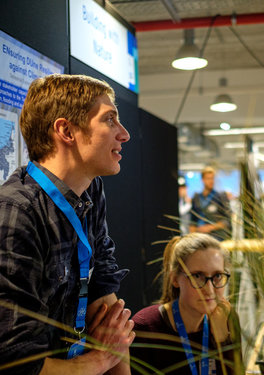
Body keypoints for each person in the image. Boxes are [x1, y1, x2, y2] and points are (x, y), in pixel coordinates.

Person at [0, 74, 135, 374]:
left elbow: (106, 302)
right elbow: (17, 363)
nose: (124, 134)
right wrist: (99, 361)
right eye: (110, 120)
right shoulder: (16, 212)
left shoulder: (91, 191)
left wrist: (110, 358)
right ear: (66, 130)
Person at [130, 233, 243, 374]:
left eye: (218, 276)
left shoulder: (227, 317)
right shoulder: (145, 328)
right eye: (197, 276)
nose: (209, 290)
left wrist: (223, 340)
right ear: (175, 279)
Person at [189, 167, 231, 241]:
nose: (211, 181)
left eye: (212, 178)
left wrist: (210, 227)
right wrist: (191, 237)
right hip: (198, 236)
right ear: (203, 180)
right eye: (208, 178)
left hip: (216, 236)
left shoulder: (220, 197)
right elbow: (192, 220)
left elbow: (227, 221)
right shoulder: (196, 198)